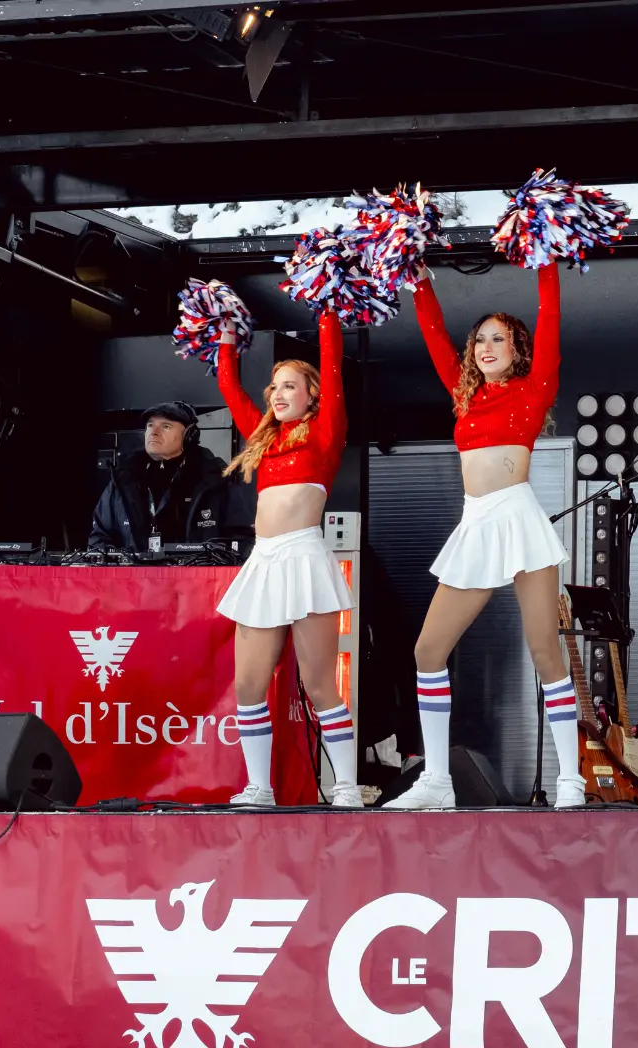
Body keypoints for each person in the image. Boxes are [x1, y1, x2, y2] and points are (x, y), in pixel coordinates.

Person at [384, 263, 576, 809]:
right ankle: (437, 782)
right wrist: (417, 278)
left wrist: (546, 262)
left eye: (499, 339)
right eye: (480, 340)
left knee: (544, 649)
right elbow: (431, 333)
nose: (487, 347)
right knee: (427, 650)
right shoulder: (463, 393)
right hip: (476, 522)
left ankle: (571, 781)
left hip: (519, 518)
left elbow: (551, 317)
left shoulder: (536, 388)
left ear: (519, 348)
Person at [213, 313, 358, 807]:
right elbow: (228, 386)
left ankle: (346, 786)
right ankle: (259, 787)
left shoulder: (324, 434)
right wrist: (227, 338)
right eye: (274, 386)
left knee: (321, 685)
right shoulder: (263, 438)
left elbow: (334, 367)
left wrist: (327, 311)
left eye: (289, 386)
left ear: (312, 395)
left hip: (304, 556)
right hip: (264, 561)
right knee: (248, 685)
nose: (277, 394)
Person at [88, 401, 246, 552]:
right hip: (135, 580)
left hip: (196, 579)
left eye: (166, 426)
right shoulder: (123, 478)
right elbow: (99, 538)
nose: (154, 432)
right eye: (150, 425)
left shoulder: (216, 478)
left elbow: (242, 539)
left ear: (189, 436)